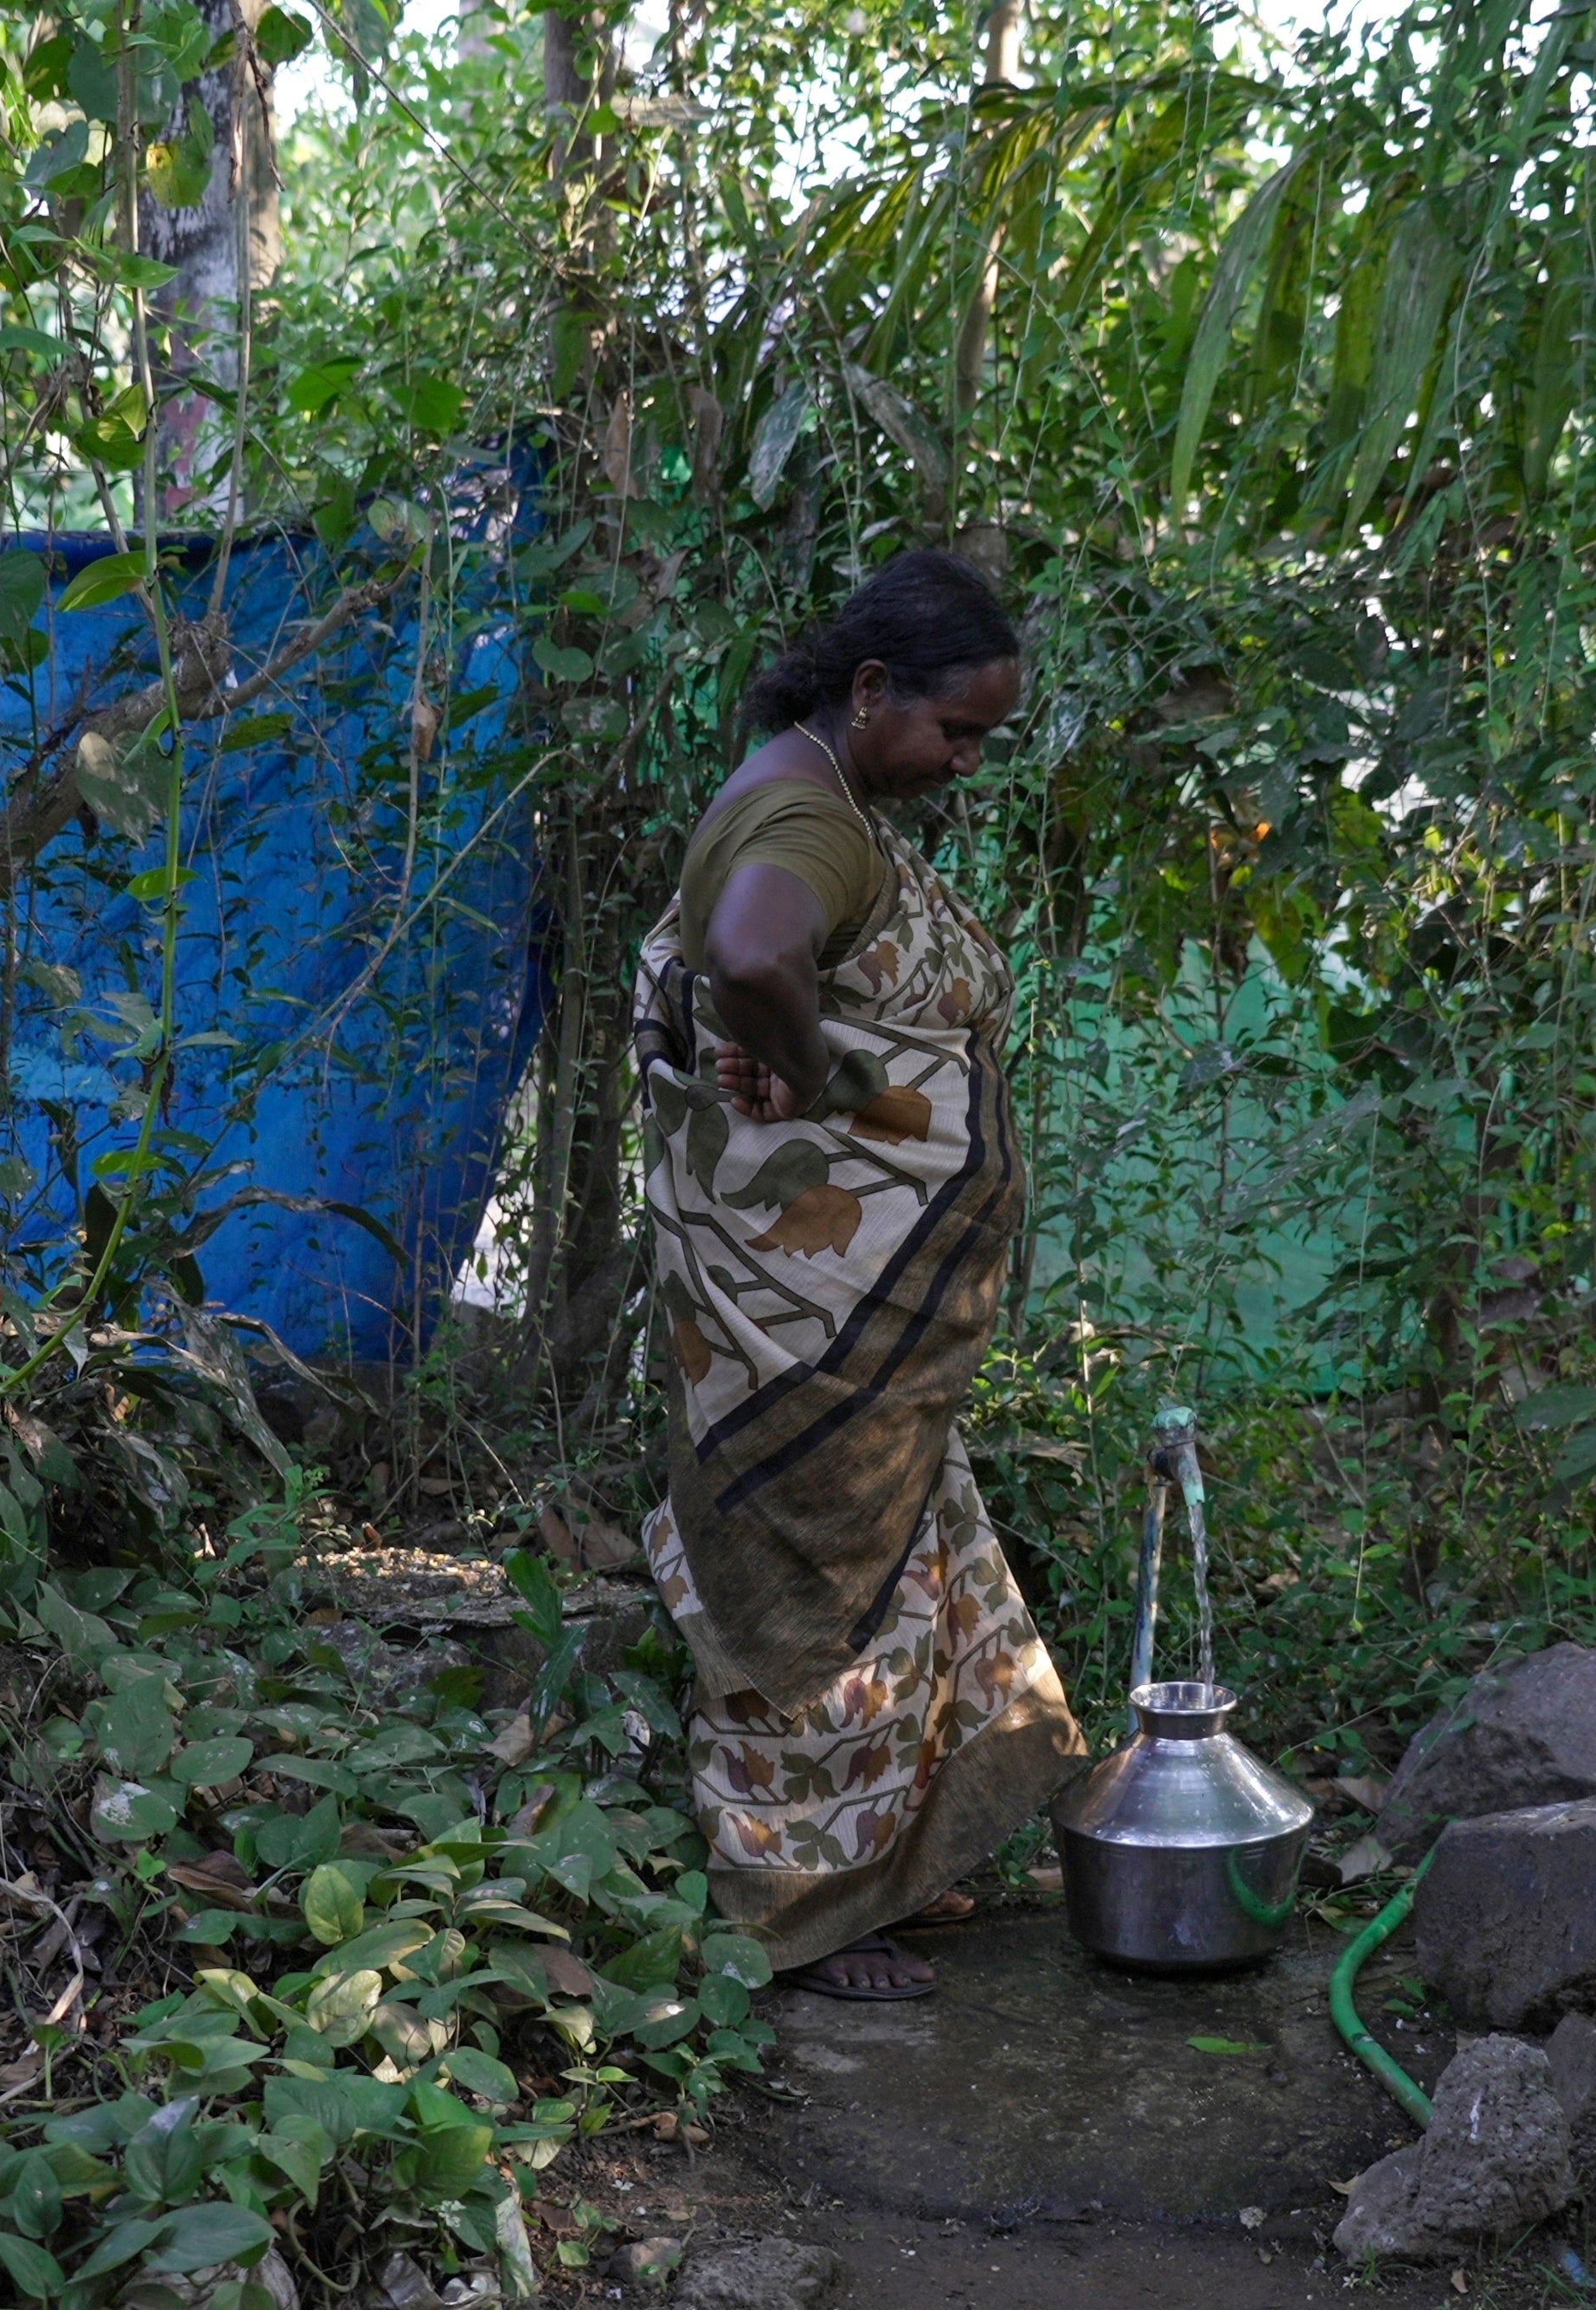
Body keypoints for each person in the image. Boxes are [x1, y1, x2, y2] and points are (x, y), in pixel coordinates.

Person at [632, 550, 1087, 2000]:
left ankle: (880, 1867)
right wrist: (826, 1075)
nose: (961, 766)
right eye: (953, 732)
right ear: (869, 687)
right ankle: (801, 1906)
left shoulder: (807, 795)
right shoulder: (803, 818)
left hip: (823, 1321)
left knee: (887, 1563)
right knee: (818, 1579)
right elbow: (753, 950)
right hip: (801, 1326)